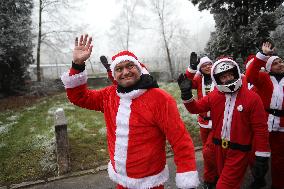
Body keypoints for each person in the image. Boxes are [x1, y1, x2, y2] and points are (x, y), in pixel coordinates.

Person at [61, 34, 200, 189]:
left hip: (150, 183)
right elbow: (79, 97)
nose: (125, 72)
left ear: (139, 68)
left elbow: (180, 140)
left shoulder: (160, 99)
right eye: (119, 69)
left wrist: (187, 177)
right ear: (114, 75)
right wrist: (78, 64)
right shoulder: (109, 95)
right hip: (121, 181)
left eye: (130, 66)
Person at [178, 57, 271, 189]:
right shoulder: (214, 96)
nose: (228, 79)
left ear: (236, 73)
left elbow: (260, 129)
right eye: (223, 77)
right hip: (218, 148)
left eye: (230, 75)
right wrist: (186, 94)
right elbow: (195, 108)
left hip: (239, 150)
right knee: (228, 180)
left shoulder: (252, 98)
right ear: (217, 79)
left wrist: (262, 155)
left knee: (224, 185)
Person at [246, 42, 284, 189]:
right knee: (256, 155)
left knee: (279, 160)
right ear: (268, 67)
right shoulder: (263, 78)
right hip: (264, 124)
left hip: (281, 126)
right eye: (275, 63)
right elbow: (249, 74)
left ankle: (278, 184)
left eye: (281, 61)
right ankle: (258, 178)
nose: (280, 64)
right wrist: (263, 55)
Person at [185, 53, 218, 188]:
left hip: (218, 122)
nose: (208, 67)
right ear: (200, 68)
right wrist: (192, 67)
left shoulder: (219, 77)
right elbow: (187, 82)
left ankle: (212, 178)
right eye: (204, 65)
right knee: (208, 151)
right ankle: (213, 176)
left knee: (209, 152)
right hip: (203, 122)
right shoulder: (199, 79)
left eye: (210, 64)